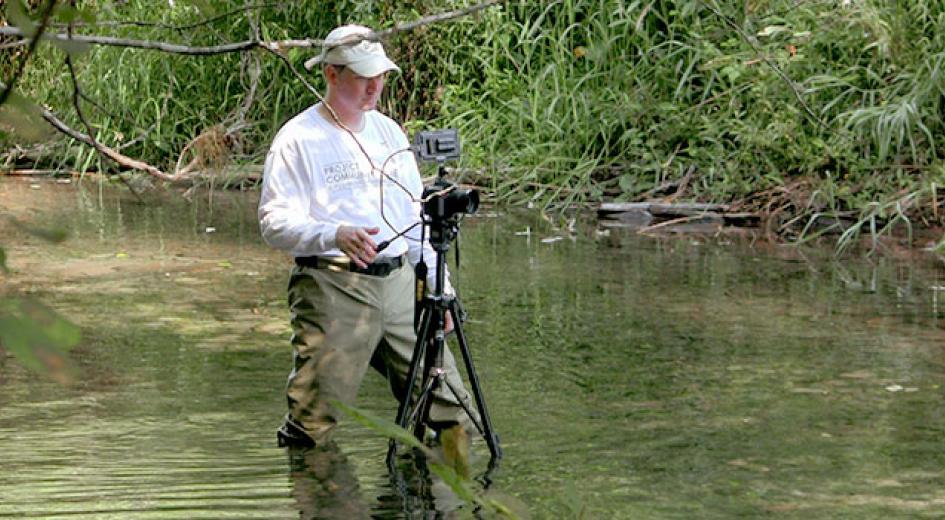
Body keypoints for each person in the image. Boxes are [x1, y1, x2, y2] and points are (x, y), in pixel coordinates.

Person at [257, 24, 477, 456]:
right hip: (333, 287)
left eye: (380, 74)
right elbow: (272, 222)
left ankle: (432, 502)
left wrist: (441, 288)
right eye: (362, 76)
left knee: (453, 412)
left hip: (400, 287)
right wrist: (333, 234)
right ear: (332, 74)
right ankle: (321, 497)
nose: (375, 86)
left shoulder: (389, 133)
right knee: (313, 425)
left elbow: (415, 219)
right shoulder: (298, 140)